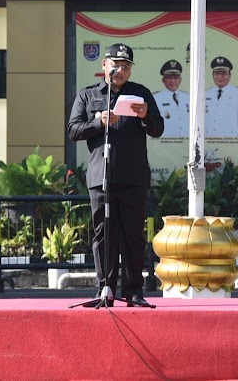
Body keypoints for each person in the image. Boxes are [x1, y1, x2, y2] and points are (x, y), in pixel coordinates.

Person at [68, 43, 164, 307]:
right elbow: (73, 130)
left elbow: (158, 128)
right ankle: (105, 289)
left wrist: (146, 116)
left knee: (133, 235)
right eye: (116, 64)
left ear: (131, 70)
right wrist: (98, 122)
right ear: (104, 66)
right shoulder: (88, 96)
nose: (120, 70)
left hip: (133, 177)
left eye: (126, 66)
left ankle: (134, 291)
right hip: (101, 178)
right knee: (103, 235)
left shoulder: (140, 94)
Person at [204, 56, 238, 138]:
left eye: (224, 73)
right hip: (208, 142)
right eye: (217, 73)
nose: (220, 77)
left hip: (230, 142)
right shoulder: (206, 94)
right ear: (212, 75)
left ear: (230, 75)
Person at [153, 60, 190, 138]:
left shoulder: (189, 98)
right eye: (169, 77)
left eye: (176, 77)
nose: (173, 81)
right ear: (163, 80)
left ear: (180, 80)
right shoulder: (155, 98)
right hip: (164, 144)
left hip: (187, 143)